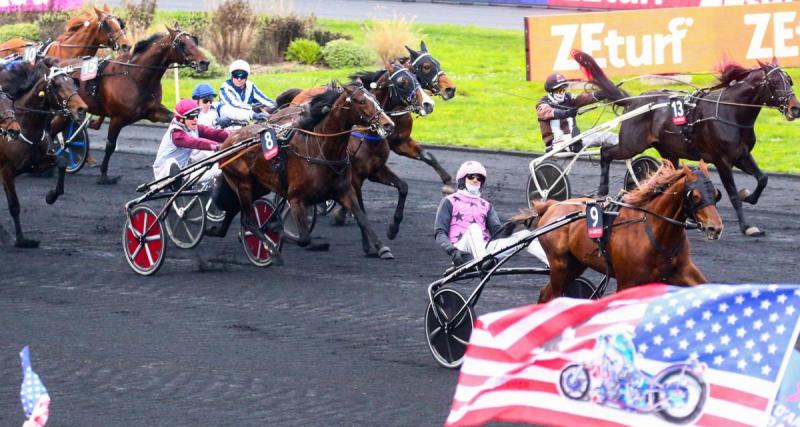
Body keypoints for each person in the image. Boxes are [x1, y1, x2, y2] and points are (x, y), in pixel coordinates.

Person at [434, 160, 549, 267]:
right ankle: (482, 262)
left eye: (479, 178)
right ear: (462, 179)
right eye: (471, 177)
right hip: (461, 250)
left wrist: (512, 226)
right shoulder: (449, 201)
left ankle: (553, 265)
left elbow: (497, 234)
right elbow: (440, 232)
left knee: (525, 234)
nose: (475, 180)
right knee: (474, 228)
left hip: (485, 249)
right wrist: (453, 250)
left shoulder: (486, 205)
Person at [152, 99, 229, 183]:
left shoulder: (193, 127)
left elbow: (215, 133)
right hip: (162, 175)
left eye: (197, 115)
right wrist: (218, 147)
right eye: (192, 117)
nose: (195, 119)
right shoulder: (176, 134)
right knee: (171, 162)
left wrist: (237, 135)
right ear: (181, 119)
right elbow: (196, 143)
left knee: (221, 167)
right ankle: (175, 182)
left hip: (182, 172)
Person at [536, 73, 617, 152]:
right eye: (559, 90)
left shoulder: (568, 98)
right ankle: (573, 145)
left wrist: (605, 93)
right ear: (551, 91)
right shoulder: (543, 103)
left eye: (564, 89)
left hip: (574, 138)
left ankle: (627, 145)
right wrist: (567, 113)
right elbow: (548, 112)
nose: (562, 92)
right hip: (556, 143)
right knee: (575, 140)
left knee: (606, 136)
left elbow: (584, 98)